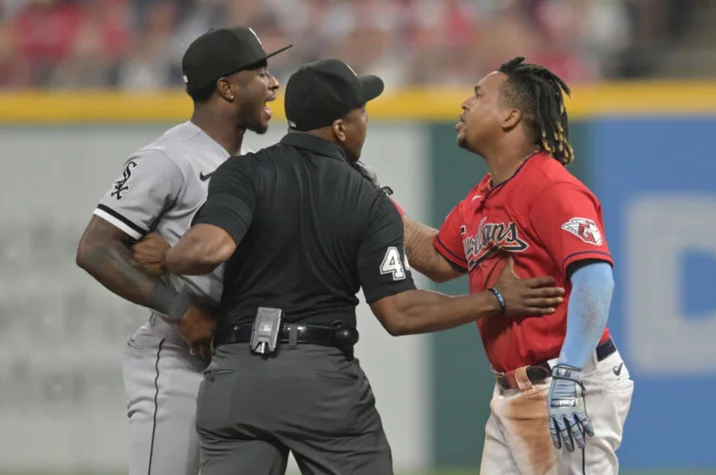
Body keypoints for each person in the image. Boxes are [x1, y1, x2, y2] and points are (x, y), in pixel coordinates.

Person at [131, 58, 565, 475]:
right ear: (340, 128)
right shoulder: (366, 200)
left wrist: (166, 256)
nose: (364, 123)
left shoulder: (241, 174)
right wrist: (495, 300)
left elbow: (208, 248)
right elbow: (400, 312)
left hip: (237, 378)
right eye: (362, 114)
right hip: (319, 383)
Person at [394, 57, 634, 474]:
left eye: (479, 95)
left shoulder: (550, 186)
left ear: (511, 115)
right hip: (513, 392)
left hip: (566, 381)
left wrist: (569, 375)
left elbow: (597, 281)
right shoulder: (482, 198)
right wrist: (376, 203)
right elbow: (436, 259)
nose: (466, 104)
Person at [74, 27, 289, 475]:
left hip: (235, 357)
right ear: (227, 87)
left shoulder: (244, 165)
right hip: (177, 357)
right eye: (261, 73)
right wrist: (182, 309)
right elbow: (95, 248)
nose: (273, 84)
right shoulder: (169, 157)